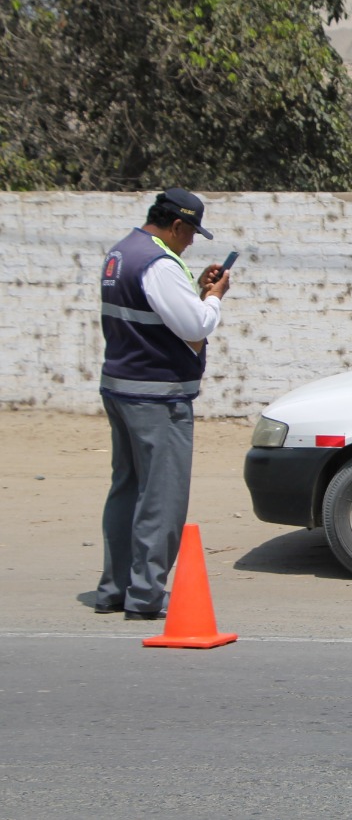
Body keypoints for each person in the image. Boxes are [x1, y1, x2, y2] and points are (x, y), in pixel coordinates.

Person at [94, 189, 231, 620]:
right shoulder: (158, 262)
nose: (190, 243)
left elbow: (153, 313)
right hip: (157, 396)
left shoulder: (121, 253)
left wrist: (193, 288)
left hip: (120, 387)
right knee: (161, 499)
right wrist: (213, 297)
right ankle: (147, 596)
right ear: (176, 226)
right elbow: (194, 324)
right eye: (190, 233)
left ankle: (115, 589)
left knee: (126, 491)